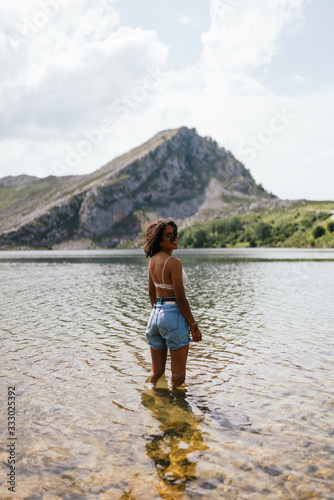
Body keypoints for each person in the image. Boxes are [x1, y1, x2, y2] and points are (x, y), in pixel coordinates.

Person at [143, 218, 202, 388]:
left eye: (175, 233)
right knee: (178, 375)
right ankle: (178, 409)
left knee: (156, 373)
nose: (174, 238)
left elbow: (151, 292)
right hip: (173, 315)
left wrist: (159, 314)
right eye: (169, 235)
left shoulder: (152, 261)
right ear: (159, 241)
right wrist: (193, 325)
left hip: (155, 316)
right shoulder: (174, 263)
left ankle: (151, 399)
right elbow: (181, 299)